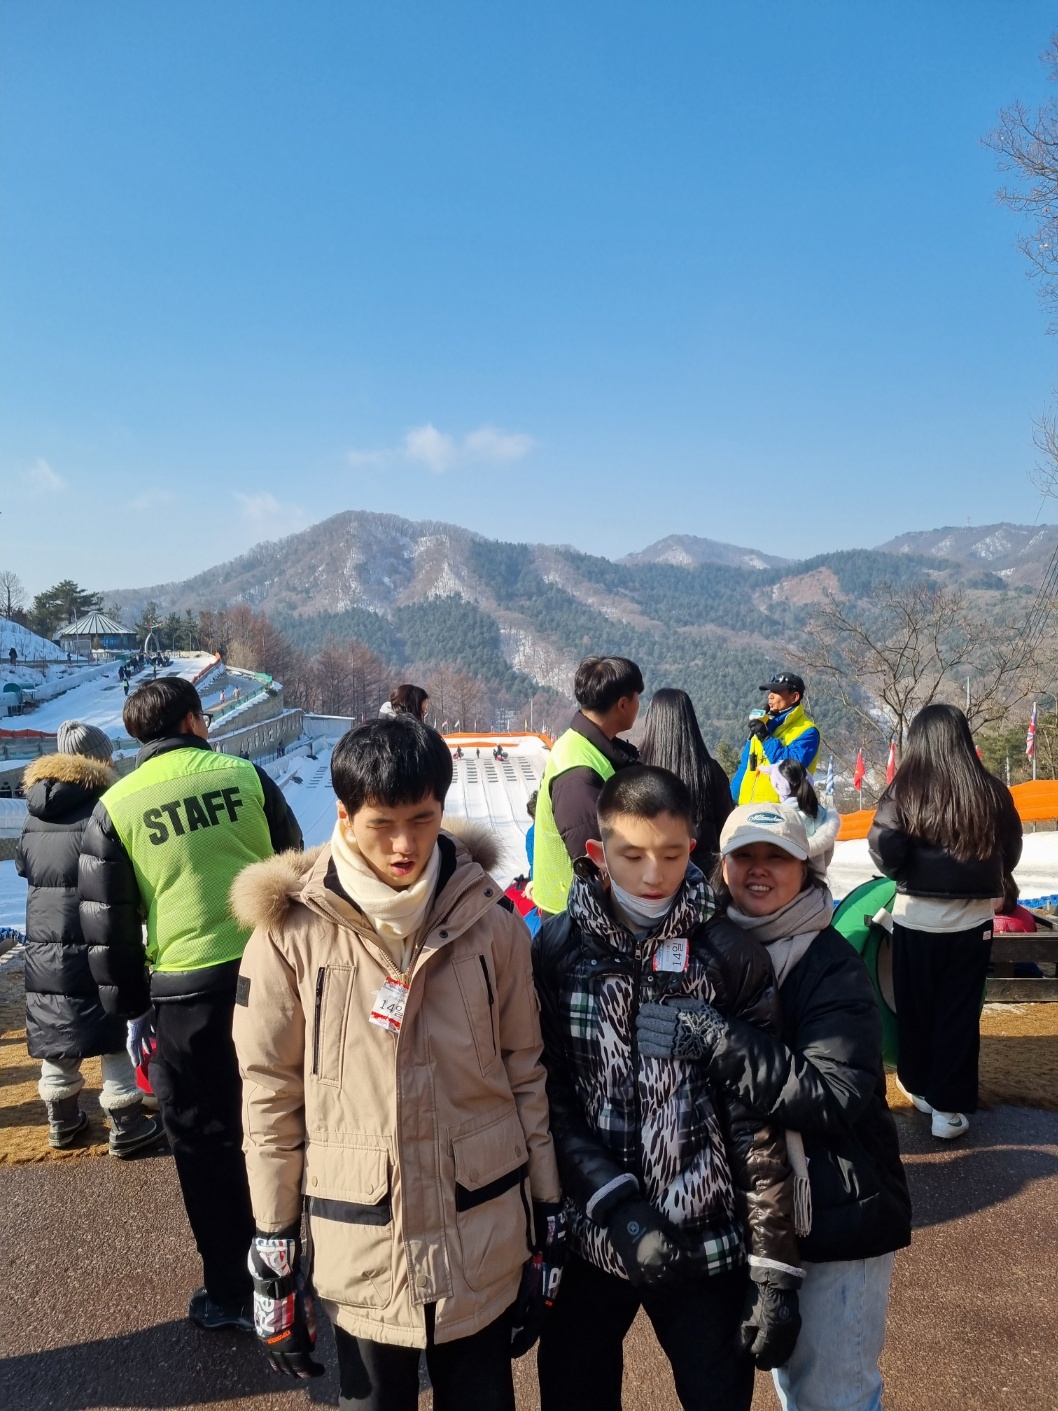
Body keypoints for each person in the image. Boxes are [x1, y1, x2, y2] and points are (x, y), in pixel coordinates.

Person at [231, 715, 563, 1408]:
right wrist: (275, 1245)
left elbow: (524, 1070)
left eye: (422, 819)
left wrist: (547, 1214)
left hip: (481, 1231)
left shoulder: (490, 922)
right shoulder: (291, 935)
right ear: (344, 816)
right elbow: (270, 1096)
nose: (405, 844)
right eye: (382, 823)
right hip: (362, 1244)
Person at [534, 766, 802, 1411]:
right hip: (592, 1234)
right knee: (574, 1393)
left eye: (673, 854)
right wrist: (615, 1204)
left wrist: (773, 1267)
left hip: (704, 1239)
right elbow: (547, 1096)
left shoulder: (727, 954)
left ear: (695, 849)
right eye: (632, 856)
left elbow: (753, 1118)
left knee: (717, 1395)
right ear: (597, 851)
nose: (654, 875)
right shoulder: (559, 951)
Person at [655, 804, 911, 1411]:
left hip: (835, 1212)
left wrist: (719, 1040)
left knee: (834, 1395)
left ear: (807, 867)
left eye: (778, 857)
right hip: (758, 1212)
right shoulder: (710, 947)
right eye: (745, 855)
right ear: (722, 864)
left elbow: (834, 1094)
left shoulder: (831, 964)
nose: (759, 870)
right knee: (794, 1387)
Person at [79, 677, 303, 1332]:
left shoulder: (116, 806)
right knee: (282, 1117)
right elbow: (294, 866)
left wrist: (131, 1008)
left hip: (185, 994)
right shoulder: (245, 776)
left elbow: (109, 924)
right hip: (269, 972)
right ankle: (293, 1263)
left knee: (205, 1141)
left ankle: (232, 1290)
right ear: (192, 721)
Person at [868, 703, 1022, 1140]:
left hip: (915, 918)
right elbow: (1010, 850)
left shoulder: (903, 790)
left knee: (915, 1007)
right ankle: (947, 1112)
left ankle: (918, 1086)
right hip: (973, 923)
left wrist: (905, 873)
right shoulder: (991, 791)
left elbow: (884, 848)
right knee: (958, 1014)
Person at [17, 721, 162, 1156]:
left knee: (58, 1024)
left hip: (45, 943)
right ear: (99, 759)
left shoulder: (35, 811)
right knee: (113, 1023)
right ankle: (127, 1123)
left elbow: (24, 866)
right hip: (99, 934)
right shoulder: (106, 806)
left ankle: (62, 1122)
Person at [532, 656, 643, 918]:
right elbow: (595, 862)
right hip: (575, 916)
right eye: (637, 697)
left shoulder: (582, 745)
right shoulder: (578, 774)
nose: (639, 705)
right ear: (623, 704)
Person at [638, 686, 733, 864]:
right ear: (690, 721)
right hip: (704, 871)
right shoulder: (710, 771)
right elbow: (726, 826)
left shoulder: (637, 769)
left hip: (652, 868)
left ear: (652, 720)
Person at [731, 672, 819, 806]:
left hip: (782, 812)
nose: (770, 696)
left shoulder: (808, 731)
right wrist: (730, 800)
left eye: (776, 692)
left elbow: (791, 769)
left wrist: (766, 738)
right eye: (770, 691)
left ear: (794, 697)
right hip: (748, 809)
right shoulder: (763, 725)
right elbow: (745, 767)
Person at [772, 758, 840, 880]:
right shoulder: (821, 813)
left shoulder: (778, 817)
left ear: (779, 786)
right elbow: (828, 855)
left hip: (786, 885)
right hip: (817, 884)